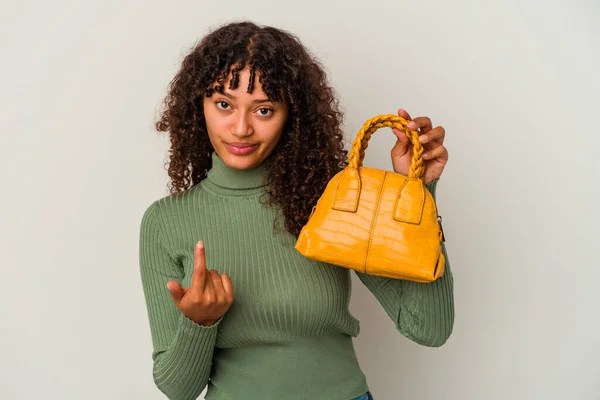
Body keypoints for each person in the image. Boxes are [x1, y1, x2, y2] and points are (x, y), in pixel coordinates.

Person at [139, 20, 454, 400]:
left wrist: (418, 192)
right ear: (198, 106)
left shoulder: (332, 200)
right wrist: (199, 322)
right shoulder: (166, 222)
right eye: (224, 104)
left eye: (264, 110)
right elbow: (178, 389)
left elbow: (428, 328)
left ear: (292, 115)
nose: (241, 128)